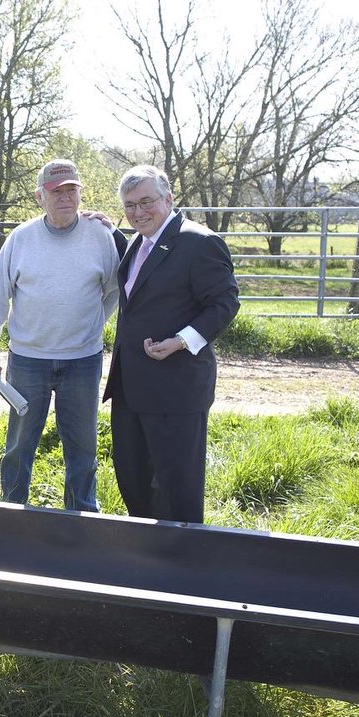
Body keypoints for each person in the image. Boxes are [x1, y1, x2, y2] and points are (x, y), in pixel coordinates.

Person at [0, 159, 120, 512]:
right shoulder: (21, 239)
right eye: (56, 191)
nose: (65, 197)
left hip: (82, 362)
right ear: (41, 196)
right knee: (19, 445)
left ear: (80, 193)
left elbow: (116, 288)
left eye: (72, 189)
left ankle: (82, 516)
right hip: (28, 362)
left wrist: (96, 322)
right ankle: (12, 512)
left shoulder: (100, 236)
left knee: (82, 448)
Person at [101, 164, 240, 524]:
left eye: (146, 202)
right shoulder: (137, 241)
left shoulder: (199, 243)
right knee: (133, 480)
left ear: (169, 199)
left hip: (176, 387)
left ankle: (183, 566)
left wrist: (181, 341)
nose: (138, 212)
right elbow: (149, 281)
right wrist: (107, 228)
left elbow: (225, 303)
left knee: (177, 488)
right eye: (129, 205)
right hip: (131, 386)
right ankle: (147, 559)